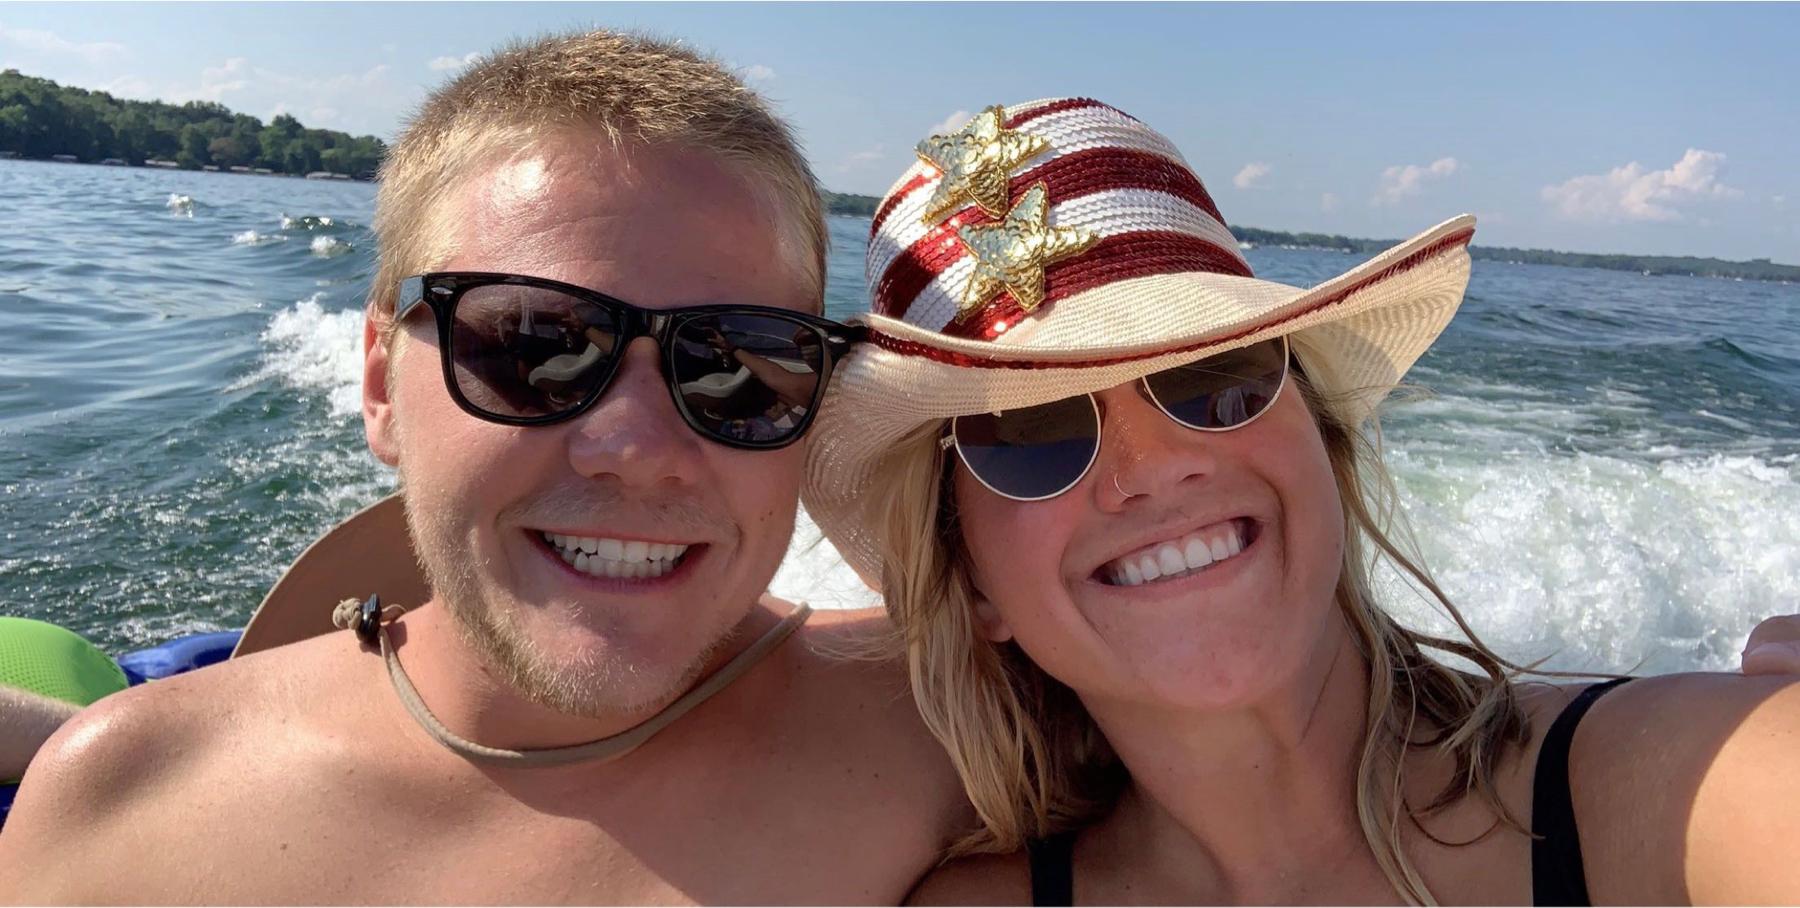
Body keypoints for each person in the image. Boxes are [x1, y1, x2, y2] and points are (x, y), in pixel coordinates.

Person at [0, 31, 969, 903]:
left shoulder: (967, 739)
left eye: (738, 367)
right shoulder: (118, 811)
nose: (636, 450)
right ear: (380, 383)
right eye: (536, 345)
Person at [801, 98, 1800, 904]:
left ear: (1324, 439)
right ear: (974, 581)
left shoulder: (1686, 788)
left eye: (1214, 375)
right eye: (1031, 429)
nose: (1153, 467)